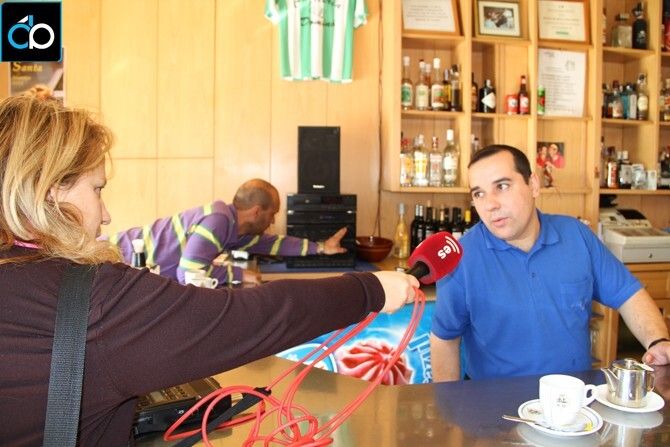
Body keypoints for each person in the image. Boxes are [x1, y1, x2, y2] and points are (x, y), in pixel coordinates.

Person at [0, 96, 419, 445]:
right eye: (97, 189)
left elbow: (271, 245)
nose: (106, 214)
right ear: (50, 190)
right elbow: (195, 273)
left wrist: (320, 249)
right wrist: (369, 289)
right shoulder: (211, 225)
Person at [430, 144, 670, 382]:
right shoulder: (461, 258)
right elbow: (444, 339)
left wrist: (657, 341)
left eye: (502, 186)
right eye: (478, 194)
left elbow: (628, 294)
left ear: (533, 185)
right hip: (495, 400)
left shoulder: (576, 235)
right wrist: (449, 404)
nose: (490, 204)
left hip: (574, 395)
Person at [110, 179, 349, 286]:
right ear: (257, 211)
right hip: (112, 258)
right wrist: (238, 274)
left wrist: (321, 247)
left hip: (123, 271)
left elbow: (273, 244)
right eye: (272, 213)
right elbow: (190, 273)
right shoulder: (218, 221)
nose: (273, 221)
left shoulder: (236, 229)